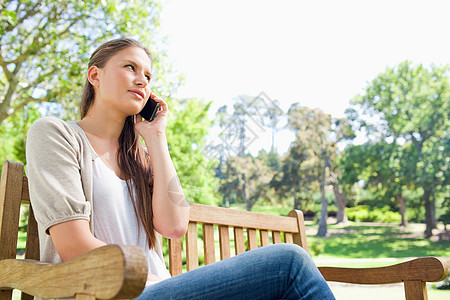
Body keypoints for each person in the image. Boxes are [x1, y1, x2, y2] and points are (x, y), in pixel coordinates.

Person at [26, 37, 335, 300]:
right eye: (130, 67)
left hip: (159, 290)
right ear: (95, 75)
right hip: (106, 293)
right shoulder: (55, 134)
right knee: (288, 263)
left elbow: (175, 227)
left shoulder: (141, 158)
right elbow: (73, 246)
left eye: (148, 76)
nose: (142, 80)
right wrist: (145, 279)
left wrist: (156, 137)